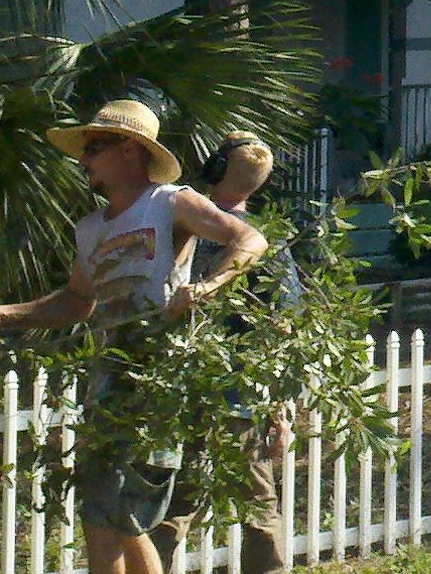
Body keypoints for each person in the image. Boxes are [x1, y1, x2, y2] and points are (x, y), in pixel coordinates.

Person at [0, 99, 267, 574]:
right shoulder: (90, 230)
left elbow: (249, 241)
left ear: (130, 149)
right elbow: (77, 302)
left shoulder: (170, 203)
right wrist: (3, 314)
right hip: (108, 388)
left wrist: (204, 288)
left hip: (158, 386)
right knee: (97, 513)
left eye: (94, 147)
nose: (84, 160)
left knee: (127, 513)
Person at [149, 135, 295, 574]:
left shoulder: (183, 227)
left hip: (186, 383)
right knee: (257, 504)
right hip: (239, 392)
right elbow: (284, 323)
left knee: (175, 499)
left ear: (215, 169)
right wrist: (279, 403)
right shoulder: (266, 244)